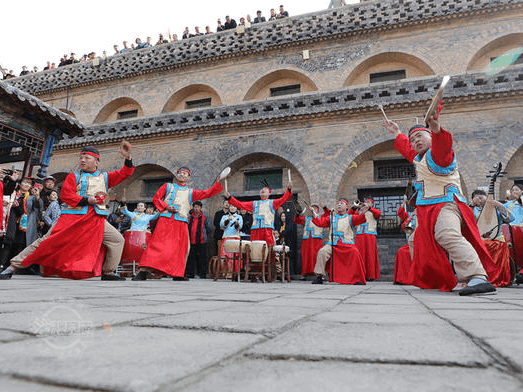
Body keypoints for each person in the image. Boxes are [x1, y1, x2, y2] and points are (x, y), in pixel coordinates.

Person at [384, 115, 497, 295]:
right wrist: (397, 132)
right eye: (413, 139)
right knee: (415, 240)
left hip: (446, 204)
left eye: (420, 136)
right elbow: (407, 149)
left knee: (447, 235)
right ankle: (433, 278)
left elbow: (443, 144)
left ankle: (477, 277)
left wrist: (437, 128)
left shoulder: (438, 155)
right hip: (426, 209)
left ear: (430, 136)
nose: (415, 141)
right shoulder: (419, 159)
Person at [0, 144, 134, 281]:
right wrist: (87, 200)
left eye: (87, 158)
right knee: (46, 241)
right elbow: (66, 196)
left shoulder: (105, 177)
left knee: (117, 240)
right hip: (73, 218)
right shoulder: (74, 176)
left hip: (96, 219)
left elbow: (125, 173)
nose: (82, 160)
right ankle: (12, 267)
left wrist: (128, 157)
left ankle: (108, 271)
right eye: (81, 158)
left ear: (96, 161)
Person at [133, 167, 223, 281]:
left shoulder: (191, 192)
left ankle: (177, 273)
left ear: (188, 177)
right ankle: (143, 271)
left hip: (181, 222)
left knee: (181, 248)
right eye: (180, 173)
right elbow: (156, 199)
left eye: (185, 173)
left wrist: (217, 183)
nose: (182, 175)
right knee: (156, 244)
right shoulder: (167, 186)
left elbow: (207, 193)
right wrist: (166, 207)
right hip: (165, 220)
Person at [311, 198, 366, 285]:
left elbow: (360, 219)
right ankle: (319, 276)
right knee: (322, 252)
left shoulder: (350, 218)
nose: (339, 205)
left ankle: (357, 278)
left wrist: (363, 212)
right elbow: (320, 222)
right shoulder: (331, 217)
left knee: (355, 252)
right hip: (332, 243)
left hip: (346, 243)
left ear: (346, 206)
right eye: (338, 203)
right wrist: (313, 213)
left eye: (342, 203)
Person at [225, 182, 292, 247]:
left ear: (269, 194)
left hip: (267, 230)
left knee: (268, 249)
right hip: (255, 230)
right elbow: (240, 204)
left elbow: (283, 199)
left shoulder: (272, 202)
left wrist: (288, 190)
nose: (262, 190)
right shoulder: (254, 203)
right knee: (254, 250)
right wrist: (229, 198)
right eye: (261, 189)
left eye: (265, 189)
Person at [471, 189, 512, 287]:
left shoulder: (496, 208)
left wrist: (500, 206)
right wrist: (472, 206)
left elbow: (511, 218)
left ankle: (495, 277)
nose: (480, 201)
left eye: (481, 198)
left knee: (491, 245)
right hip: (480, 239)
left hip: (496, 239)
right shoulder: (474, 210)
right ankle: (479, 277)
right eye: (477, 198)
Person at [294, 204, 327, 279]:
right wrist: (298, 213)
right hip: (307, 240)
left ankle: (320, 274)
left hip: (316, 240)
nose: (312, 211)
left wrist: (324, 208)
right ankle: (305, 273)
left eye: (314, 209)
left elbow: (328, 214)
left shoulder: (321, 217)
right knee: (306, 257)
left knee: (317, 256)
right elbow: (297, 220)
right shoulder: (306, 218)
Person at [351, 198, 381, 281]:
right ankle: (360, 274)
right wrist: (354, 207)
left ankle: (370, 275)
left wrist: (369, 208)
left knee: (370, 255)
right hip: (360, 235)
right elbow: (350, 215)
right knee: (360, 255)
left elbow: (378, 214)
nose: (365, 203)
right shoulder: (359, 212)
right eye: (365, 202)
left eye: (368, 202)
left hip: (370, 235)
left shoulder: (374, 211)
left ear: (372, 204)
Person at [186, 201, 213, 278]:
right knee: (191, 258)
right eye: (195, 207)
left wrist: (204, 236)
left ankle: (202, 273)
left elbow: (209, 228)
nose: (196, 208)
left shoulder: (205, 216)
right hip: (191, 240)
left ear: (201, 208)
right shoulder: (189, 217)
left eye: (198, 207)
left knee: (202, 258)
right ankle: (190, 273)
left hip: (201, 241)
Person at [504, 184, 523, 284]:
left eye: (517, 190)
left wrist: (519, 198)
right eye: (513, 190)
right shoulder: (509, 204)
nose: (514, 192)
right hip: (511, 229)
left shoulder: (521, 201)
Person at [219, 204, 243, 277]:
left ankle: (234, 273)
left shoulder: (239, 217)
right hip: (226, 237)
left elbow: (240, 226)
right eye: (231, 206)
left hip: (235, 237)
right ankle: (225, 273)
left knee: (235, 256)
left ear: (236, 208)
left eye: (234, 206)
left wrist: (236, 224)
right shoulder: (224, 216)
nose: (232, 208)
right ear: (229, 207)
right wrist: (227, 220)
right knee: (225, 256)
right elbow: (221, 225)